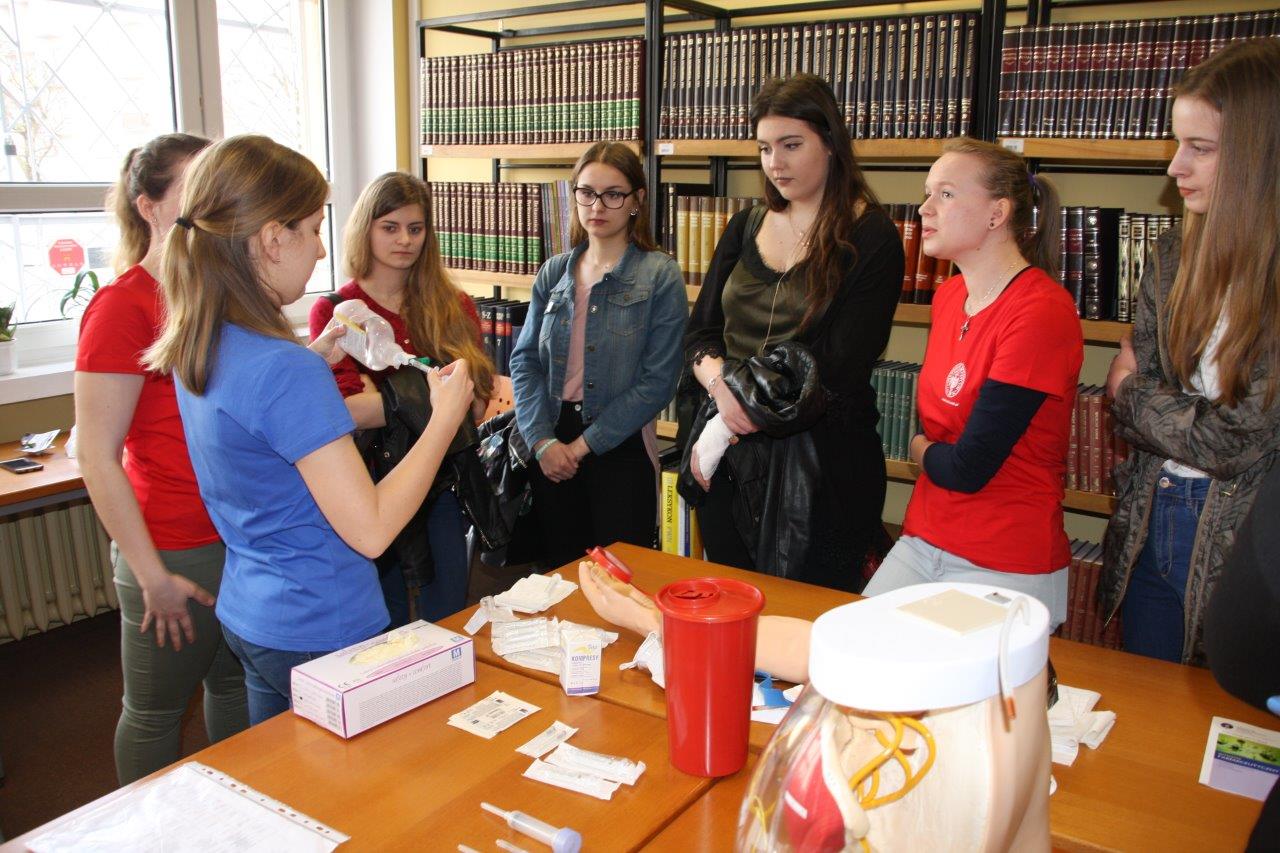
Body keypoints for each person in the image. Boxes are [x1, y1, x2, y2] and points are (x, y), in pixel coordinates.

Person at [144, 135, 474, 724]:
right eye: (313, 230)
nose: (322, 250)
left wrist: (310, 362)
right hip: (321, 621)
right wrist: (444, 419)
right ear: (273, 238)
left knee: (282, 770)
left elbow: (256, 437)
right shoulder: (283, 369)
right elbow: (372, 530)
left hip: (254, 610)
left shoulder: (205, 340)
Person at [683, 74, 904, 591]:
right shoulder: (744, 225)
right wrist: (723, 397)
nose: (775, 163)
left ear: (830, 142)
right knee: (732, 610)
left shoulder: (872, 236)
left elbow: (836, 366)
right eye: (764, 148)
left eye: (791, 145)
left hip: (823, 470)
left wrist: (731, 414)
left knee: (810, 621)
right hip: (728, 458)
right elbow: (700, 334)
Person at [74, 133, 248, 784]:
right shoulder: (122, 305)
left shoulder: (216, 295)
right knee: (155, 712)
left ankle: (240, 816)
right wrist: (151, 576)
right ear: (149, 207)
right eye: (195, 188)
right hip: (172, 548)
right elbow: (96, 455)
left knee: (235, 687)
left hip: (233, 534)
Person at [1101, 39, 1280, 665]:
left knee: (1226, 712)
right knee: (1150, 704)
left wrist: (1131, 392)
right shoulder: (1174, 255)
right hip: (1152, 515)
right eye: (1177, 144)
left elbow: (1237, 440)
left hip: (1249, 543)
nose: (1175, 168)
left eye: (1200, 148)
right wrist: (1141, 396)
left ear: (1260, 154)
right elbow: (1146, 388)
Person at [861, 138, 1083, 629]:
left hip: (1005, 558)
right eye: (927, 193)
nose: (924, 209)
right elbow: (940, 431)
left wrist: (919, 449)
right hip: (926, 539)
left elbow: (968, 467)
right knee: (851, 651)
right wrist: (929, 448)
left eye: (945, 194)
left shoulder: (1041, 311)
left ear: (996, 213)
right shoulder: (950, 295)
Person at [309, 173, 494, 625]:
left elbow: (474, 403)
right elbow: (345, 413)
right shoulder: (337, 309)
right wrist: (434, 399)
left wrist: (385, 397)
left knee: (447, 611)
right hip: (368, 480)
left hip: (442, 480)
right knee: (381, 616)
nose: (405, 240)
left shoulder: (453, 304)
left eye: (416, 228)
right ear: (365, 229)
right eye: (390, 227)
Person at [509, 141, 686, 568]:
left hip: (619, 444)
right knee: (559, 578)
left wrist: (582, 447)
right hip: (551, 442)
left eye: (613, 194)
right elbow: (524, 362)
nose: (597, 206)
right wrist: (542, 441)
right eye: (586, 193)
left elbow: (658, 381)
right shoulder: (554, 272)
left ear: (637, 200)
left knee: (620, 578)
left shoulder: (659, 274)